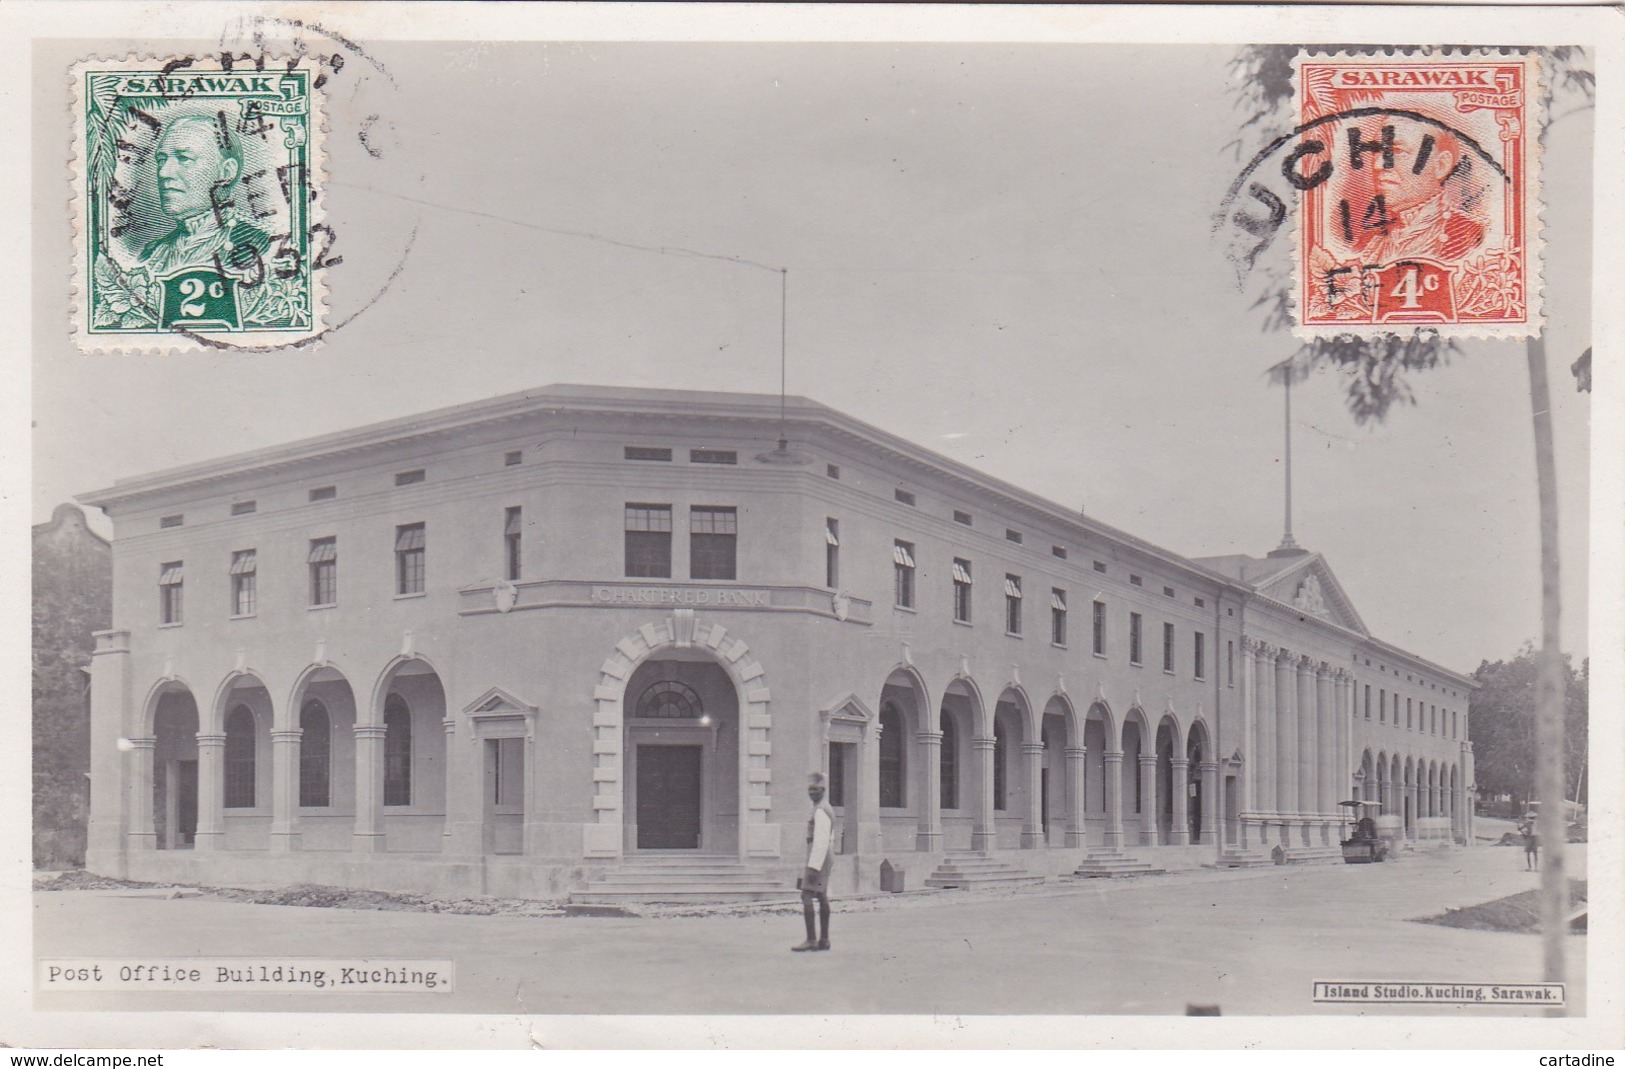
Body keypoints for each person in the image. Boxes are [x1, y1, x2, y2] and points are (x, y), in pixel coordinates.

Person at [139, 114, 270, 278]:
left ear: (226, 173)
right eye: (161, 159)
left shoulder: (263, 247)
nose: (164, 172)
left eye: (184, 158)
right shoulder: (152, 253)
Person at [792, 771, 835, 952]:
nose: (812, 792)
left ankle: (811, 939)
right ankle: (824, 940)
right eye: (810, 789)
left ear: (823, 790)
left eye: (816, 789)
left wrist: (813, 867)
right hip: (823, 856)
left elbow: (821, 840)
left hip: (819, 857)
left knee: (806, 895)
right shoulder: (822, 807)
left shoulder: (820, 811)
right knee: (822, 895)